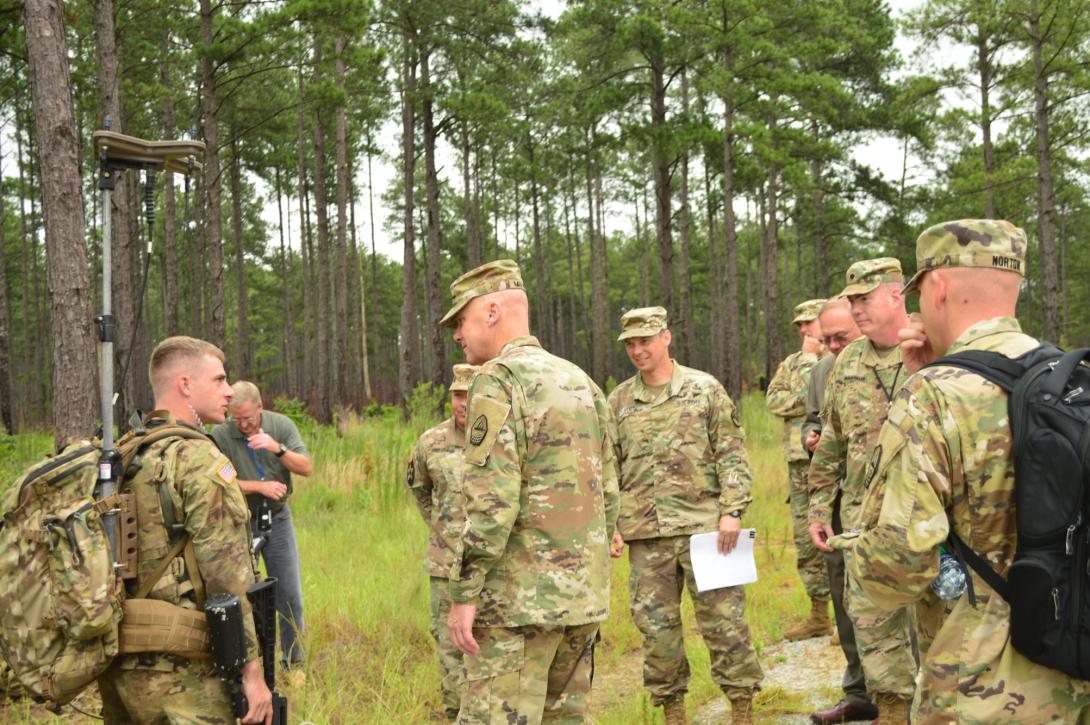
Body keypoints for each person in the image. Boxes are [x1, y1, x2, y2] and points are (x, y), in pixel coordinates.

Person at [840, 219, 1090, 722]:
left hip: (979, 683)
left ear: (939, 287)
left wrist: (851, 549)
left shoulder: (931, 395)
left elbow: (892, 572)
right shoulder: (1072, 376)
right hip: (1073, 658)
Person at [440, 259, 620, 725]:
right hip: (581, 600)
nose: (458, 335)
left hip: (517, 606)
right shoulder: (582, 382)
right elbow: (610, 492)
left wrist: (463, 592)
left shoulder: (497, 381)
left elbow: (491, 505)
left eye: (461, 320)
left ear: (492, 311)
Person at [98, 336, 272, 725]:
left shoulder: (125, 454)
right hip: (184, 674)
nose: (229, 391)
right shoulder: (198, 458)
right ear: (185, 385)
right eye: (219, 379)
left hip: (120, 669)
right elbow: (227, 575)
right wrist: (252, 673)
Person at [609, 306, 764, 725]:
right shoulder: (620, 401)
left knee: (725, 626)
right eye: (631, 344)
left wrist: (732, 511)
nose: (638, 350)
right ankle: (673, 711)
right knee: (657, 632)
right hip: (646, 535)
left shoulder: (704, 389)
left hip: (708, 532)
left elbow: (731, 453)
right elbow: (610, 467)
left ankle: (742, 708)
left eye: (645, 341)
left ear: (666, 337)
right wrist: (612, 524)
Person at [806, 258, 918, 723]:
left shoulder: (933, 347)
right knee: (872, 629)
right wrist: (817, 507)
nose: (856, 310)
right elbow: (831, 439)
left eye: (864, 299)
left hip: (924, 520)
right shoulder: (847, 361)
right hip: (862, 523)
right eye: (851, 300)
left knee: (937, 630)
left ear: (897, 295)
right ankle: (889, 712)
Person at [800, 298, 875, 724]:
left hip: (892, 506)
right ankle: (859, 692)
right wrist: (811, 437)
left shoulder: (904, 358)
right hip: (841, 503)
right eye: (825, 338)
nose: (831, 345)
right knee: (844, 598)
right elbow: (813, 422)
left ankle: (913, 692)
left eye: (839, 337)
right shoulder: (824, 370)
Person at [210, 381, 312, 671]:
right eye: (236, 418)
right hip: (237, 524)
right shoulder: (221, 435)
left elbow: (305, 467)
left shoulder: (281, 426)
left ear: (260, 408)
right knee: (240, 595)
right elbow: (220, 481)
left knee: (289, 594)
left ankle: (294, 662)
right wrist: (259, 487)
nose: (242, 425)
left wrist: (276, 448)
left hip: (278, 519)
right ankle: (244, 666)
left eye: (249, 419)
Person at [407, 363, 478, 722]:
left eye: (470, 393)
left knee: (492, 647)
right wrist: (445, 530)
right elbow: (421, 492)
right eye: (457, 395)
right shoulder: (430, 442)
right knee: (450, 649)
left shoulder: (507, 438)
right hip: (445, 564)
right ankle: (456, 716)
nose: (463, 403)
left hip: (494, 565)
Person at [766, 298, 832, 642]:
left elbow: (821, 399)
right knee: (805, 539)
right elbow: (773, 400)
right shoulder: (792, 363)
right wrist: (804, 397)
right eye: (800, 326)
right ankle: (820, 614)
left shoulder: (838, 356)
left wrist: (809, 367)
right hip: (798, 462)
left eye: (810, 323)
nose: (805, 330)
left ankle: (851, 616)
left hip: (832, 459)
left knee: (839, 532)